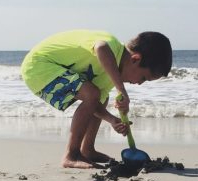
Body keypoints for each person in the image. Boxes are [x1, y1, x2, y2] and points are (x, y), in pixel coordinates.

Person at [21, 29, 172, 168]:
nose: (139, 83)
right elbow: (100, 48)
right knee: (92, 94)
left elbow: (96, 107)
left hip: (50, 70)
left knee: (99, 98)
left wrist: (112, 120)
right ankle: (71, 155)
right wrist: (122, 90)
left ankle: (87, 149)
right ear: (135, 59)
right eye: (144, 78)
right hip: (38, 66)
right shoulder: (111, 45)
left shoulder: (108, 77)